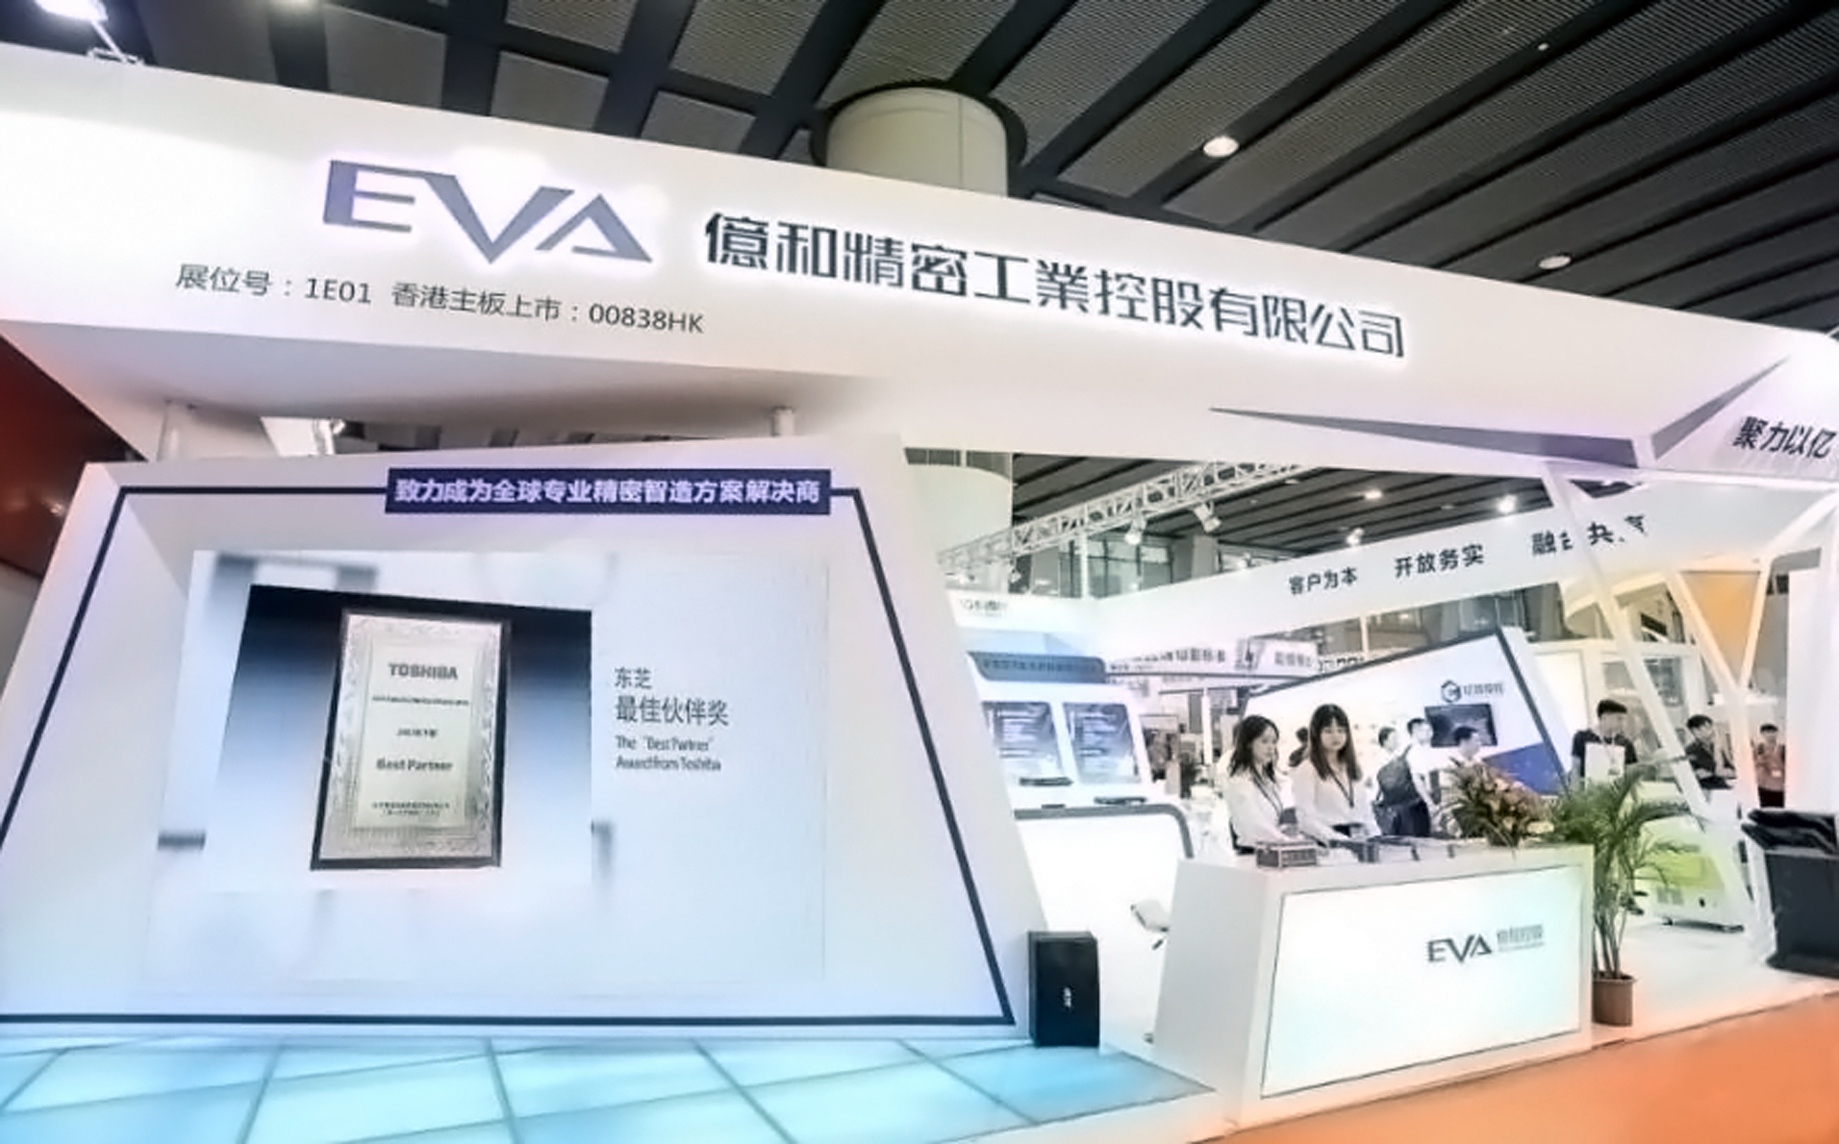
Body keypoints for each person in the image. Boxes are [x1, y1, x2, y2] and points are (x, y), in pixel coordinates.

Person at [1292, 703, 1380, 844]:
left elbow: (1365, 809)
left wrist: (1376, 835)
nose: (1336, 736)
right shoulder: (1307, 769)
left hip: (1360, 839)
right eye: (1328, 731)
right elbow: (1306, 818)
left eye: (1341, 730)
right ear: (1316, 734)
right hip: (1327, 842)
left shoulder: (1352, 766)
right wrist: (1338, 840)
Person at [1222, 715, 1291, 851]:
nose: (1271, 747)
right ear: (1248, 743)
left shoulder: (1266, 777)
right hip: (1253, 854)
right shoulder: (1240, 780)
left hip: (1272, 849)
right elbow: (1254, 824)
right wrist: (1287, 841)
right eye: (1264, 741)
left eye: (1274, 742)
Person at [1374, 726, 1431, 838]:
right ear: (1385, 741)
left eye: (1397, 738)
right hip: (1407, 807)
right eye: (1393, 738)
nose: (1397, 741)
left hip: (1398, 808)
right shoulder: (1394, 759)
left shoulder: (1397, 757)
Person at [1571, 699, 1637, 780]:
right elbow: (1575, 771)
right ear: (1604, 717)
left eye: (1624, 720)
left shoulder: (1626, 744)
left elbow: (1631, 775)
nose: (1623, 724)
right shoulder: (1582, 738)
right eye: (1619, 719)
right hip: (1588, 787)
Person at [1684, 714, 1735, 792]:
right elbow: (1697, 774)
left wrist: (1710, 772)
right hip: (1711, 789)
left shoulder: (1727, 742)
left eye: (1708, 727)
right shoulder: (1690, 750)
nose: (1705, 732)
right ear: (1693, 732)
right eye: (1698, 730)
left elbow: (1735, 767)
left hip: (1734, 785)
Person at [1754, 723, 1787, 808]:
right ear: (1762, 734)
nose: (1770, 735)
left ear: (1777, 733)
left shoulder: (1783, 749)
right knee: (1766, 811)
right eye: (1767, 732)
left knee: (1779, 811)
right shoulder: (1758, 749)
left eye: (1772, 732)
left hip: (1779, 788)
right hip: (1763, 787)